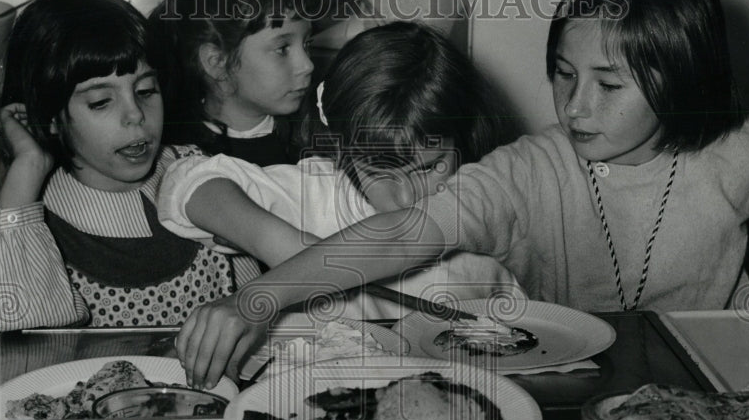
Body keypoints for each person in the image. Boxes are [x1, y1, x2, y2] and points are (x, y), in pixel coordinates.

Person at [174, 0, 749, 389]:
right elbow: (403, 233)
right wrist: (260, 296)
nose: (574, 107)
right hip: (596, 389)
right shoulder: (527, 172)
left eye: (609, 84)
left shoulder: (742, 144)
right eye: (564, 75)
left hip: (735, 375)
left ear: (681, 82)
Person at [155, 20, 523, 320]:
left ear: (462, 140)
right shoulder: (322, 193)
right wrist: (278, 242)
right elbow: (183, 180)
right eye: (380, 172)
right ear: (344, 148)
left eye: (431, 167)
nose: (407, 197)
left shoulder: (485, 210)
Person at [0, 0, 237, 332]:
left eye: (145, 91)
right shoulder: (24, 220)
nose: (135, 115)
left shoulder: (196, 175)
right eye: (100, 102)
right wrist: (28, 166)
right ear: (49, 117)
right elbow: (9, 331)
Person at [146, 0, 314, 167]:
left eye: (307, 44)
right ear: (217, 62)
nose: (308, 65)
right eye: (282, 49)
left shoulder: (316, 140)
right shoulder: (178, 159)